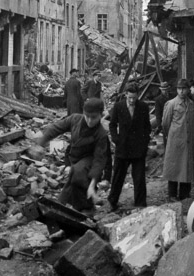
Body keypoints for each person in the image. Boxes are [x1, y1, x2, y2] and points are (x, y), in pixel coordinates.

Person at [36, 98, 107, 214]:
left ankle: (82, 208)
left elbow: (100, 160)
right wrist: (43, 140)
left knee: (78, 172)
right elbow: (57, 128)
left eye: (93, 117)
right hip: (74, 157)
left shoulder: (101, 134)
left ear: (100, 115)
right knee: (75, 180)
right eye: (87, 116)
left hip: (90, 160)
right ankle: (79, 208)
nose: (89, 120)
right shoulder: (75, 119)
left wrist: (92, 184)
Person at [107, 82, 151, 211]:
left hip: (138, 148)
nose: (132, 100)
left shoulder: (143, 107)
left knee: (139, 178)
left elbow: (147, 127)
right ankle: (112, 201)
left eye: (134, 97)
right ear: (126, 95)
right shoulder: (118, 106)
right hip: (123, 147)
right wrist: (116, 139)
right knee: (118, 177)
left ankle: (140, 204)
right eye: (129, 97)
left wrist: (145, 142)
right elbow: (112, 124)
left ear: (138, 96)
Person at [162, 78, 194, 201]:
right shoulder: (171, 104)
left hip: (188, 141)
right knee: (174, 168)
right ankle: (172, 195)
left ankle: (184, 195)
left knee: (186, 168)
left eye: (184, 89)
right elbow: (165, 123)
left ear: (188, 90)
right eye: (179, 89)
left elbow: (193, 123)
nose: (181, 91)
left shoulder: (191, 104)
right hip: (176, 141)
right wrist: (173, 135)